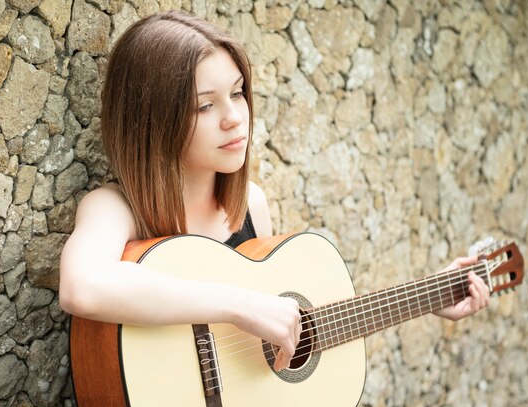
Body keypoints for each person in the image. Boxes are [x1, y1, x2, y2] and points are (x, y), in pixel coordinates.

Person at [58, 10, 489, 373]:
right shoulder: (114, 208)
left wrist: (434, 296)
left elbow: (284, 336)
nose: (234, 118)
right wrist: (239, 305)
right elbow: (81, 287)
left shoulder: (250, 206)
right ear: (153, 117)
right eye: (206, 105)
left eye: (238, 94)